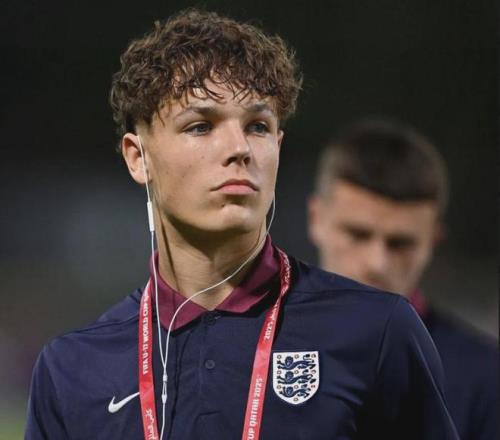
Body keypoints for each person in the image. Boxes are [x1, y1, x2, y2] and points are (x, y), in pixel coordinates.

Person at [26, 10, 458, 440]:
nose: (239, 148)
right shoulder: (71, 369)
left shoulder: (376, 332)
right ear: (138, 158)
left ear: (278, 146)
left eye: (258, 126)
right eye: (200, 126)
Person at [308, 118, 497, 440]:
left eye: (400, 244)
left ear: (433, 241)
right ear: (316, 219)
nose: (377, 263)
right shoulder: (248, 347)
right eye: (357, 234)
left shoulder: (484, 381)